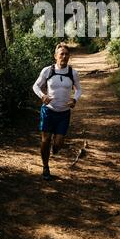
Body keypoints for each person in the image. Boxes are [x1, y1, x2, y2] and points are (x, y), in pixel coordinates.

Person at [33, 42, 82, 180]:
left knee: (59, 143)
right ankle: (45, 167)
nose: (64, 56)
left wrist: (75, 100)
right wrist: (43, 96)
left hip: (64, 113)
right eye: (61, 54)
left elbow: (78, 89)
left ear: (69, 56)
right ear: (56, 56)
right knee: (45, 140)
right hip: (48, 111)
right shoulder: (48, 71)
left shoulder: (73, 73)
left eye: (67, 54)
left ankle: (55, 148)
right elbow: (35, 86)